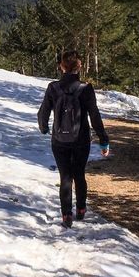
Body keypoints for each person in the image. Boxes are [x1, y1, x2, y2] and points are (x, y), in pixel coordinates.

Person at [37, 51, 110, 228]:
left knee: (65, 177)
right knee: (79, 174)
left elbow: (43, 112)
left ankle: (66, 215)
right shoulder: (86, 88)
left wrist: (44, 127)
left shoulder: (53, 87)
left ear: (62, 66)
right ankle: (81, 209)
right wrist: (103, 139)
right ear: (80, 67)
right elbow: (95, 116)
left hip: (59, 140)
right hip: (81, 139)